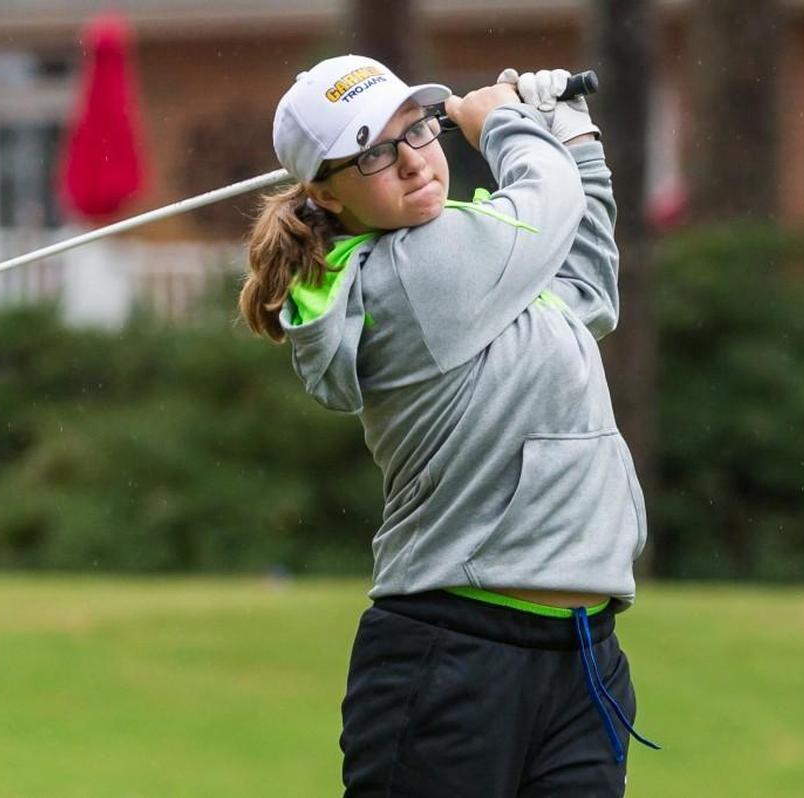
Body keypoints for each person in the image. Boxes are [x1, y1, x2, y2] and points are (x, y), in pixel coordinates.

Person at [240, 53, 659, 797]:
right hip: (452, 657)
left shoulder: (484, 258)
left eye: (418, 131)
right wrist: (501, 120)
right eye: (372, 152)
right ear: (327, 197)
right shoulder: (412, 273)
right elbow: (546, 198)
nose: (411, 162)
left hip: (583, 654)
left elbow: (587, 288)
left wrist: (576, 139)